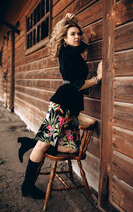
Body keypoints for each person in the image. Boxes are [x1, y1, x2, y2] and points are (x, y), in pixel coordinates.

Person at [18, 13, 102, 199]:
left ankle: (32, 142)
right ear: (64, 37)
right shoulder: (68, 55)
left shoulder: (73, 52)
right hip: (61, 105)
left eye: (78, 33)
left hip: (71, 108)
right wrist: (97, 79)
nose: (77, 36)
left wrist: (74, 23)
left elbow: (85, 42)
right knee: (43, 145)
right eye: (72, 34)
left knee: (72, 149)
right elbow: (77, 85)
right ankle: (27, 186)